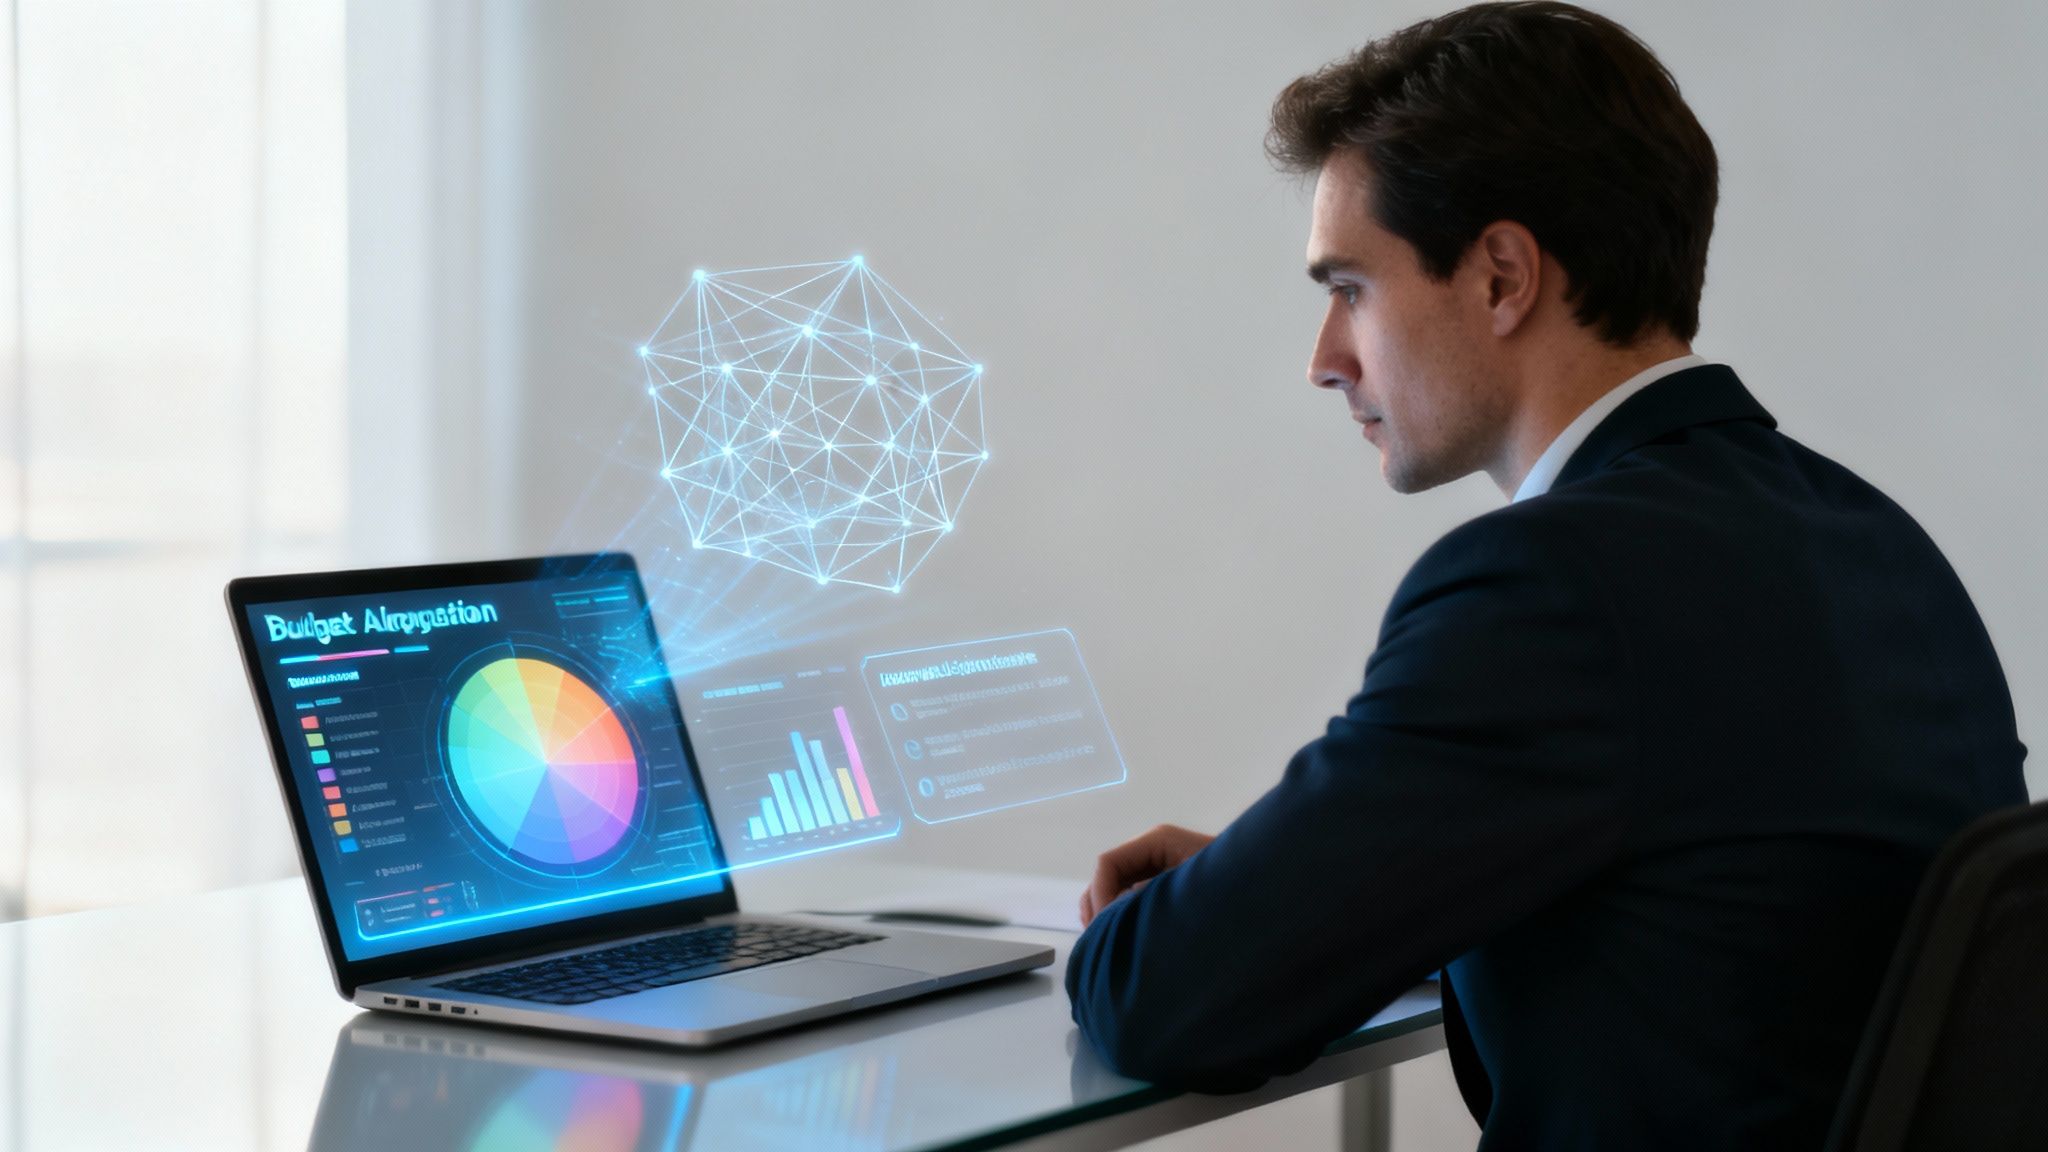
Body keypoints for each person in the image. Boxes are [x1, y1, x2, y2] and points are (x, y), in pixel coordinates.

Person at [1063, 3, 2028, 1148]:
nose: (1323, 360)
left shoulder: (1550, 589)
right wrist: (1288, 875)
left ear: (1501, 276)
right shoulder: (1870, 540)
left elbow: (1168, 1002)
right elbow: (1703, 894)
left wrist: (1160, 926)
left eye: (1350, 288)